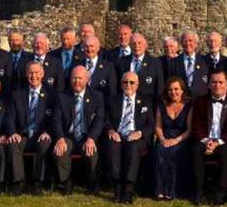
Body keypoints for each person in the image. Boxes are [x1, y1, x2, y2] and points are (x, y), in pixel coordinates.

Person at [190, 71, 227, 205]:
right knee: (196, 150)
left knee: (224, 152)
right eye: (213, 82)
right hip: (205, 140)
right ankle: (199, 190)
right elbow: (196, 126)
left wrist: (217, 143)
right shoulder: (200, 101)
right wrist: (208, 141)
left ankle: (222, 191)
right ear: (208, 85)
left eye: (220, 82)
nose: (217, 85)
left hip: (225, 141)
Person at [51, 65, 104, 195]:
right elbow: (56, 120)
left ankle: (92, 183)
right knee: (60, 151)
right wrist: (60, 138)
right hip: (68, 136)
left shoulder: (97, 97)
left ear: (87, 79)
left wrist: (91, 139)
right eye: (74, 78)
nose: (76, 81)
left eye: (80, 78)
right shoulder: (62, 96)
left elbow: (99, 120)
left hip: (87, 136)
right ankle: (65, 182)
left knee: (91, 153)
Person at [5, 62, 54, 195]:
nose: (34, 76)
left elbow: (56, 118)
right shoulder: (17, 94)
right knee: (13, 143)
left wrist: (48, 132)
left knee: (44, 145)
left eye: (37, 73)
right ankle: (18, 182)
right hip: (23, 135)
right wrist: (13, 132)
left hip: (41, 135)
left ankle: (37, 183)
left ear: (42, 74)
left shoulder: (52, 95)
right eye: (31, 73)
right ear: (26, 75)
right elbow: (9, 116)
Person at [105, 71, 154, 204]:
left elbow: (151, 124)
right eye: (125, 82)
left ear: (137, 85)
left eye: (132, 82)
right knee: (112, 145)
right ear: (121, 84)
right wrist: (111, 131)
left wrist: (140, 133)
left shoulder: (146, 100)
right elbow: (106, 120)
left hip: (137, 136)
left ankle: (128, 188)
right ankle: (117, 186)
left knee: (133, 146)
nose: (128, 85)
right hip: (119, 134)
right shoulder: (113, 100)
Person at [154, 77, 192, 201]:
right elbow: (158, 126)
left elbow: (189, 130)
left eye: (176, 89)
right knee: (160, 150)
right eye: (170, 90)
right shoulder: (161, 106)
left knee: (173, 152)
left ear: (182, 91)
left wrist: (176, 140)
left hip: (182, 139)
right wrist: (162, 139)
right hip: (165, 137)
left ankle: (172, 190)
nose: (173, 92)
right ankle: (160, 190)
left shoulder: (189, 106)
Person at [116, 32, 164, 103]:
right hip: (126, 104)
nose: (136, 46)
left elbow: (159, 88)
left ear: (145, 45)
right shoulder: (121, 62)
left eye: (139, 43)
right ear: (130, 46)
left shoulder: (155, 63)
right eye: (134, 43)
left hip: (147, 106)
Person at [169, 31, 209, 97]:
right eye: (185, 41)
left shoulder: (205, 61)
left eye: (190, 41)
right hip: (181, 102)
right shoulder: (173, 63)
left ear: (196, 43)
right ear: (181, 43)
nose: (187, 43)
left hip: (201, 101)